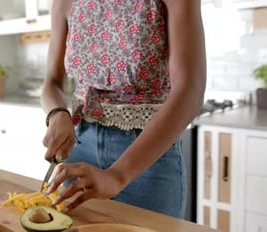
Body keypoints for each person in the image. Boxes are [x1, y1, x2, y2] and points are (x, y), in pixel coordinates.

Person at [41, 0, 206, 218]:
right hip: (79, 150)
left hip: (146, 158)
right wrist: (57, 113)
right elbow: (51, 82)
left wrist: (118, 175)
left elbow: (190, 91)